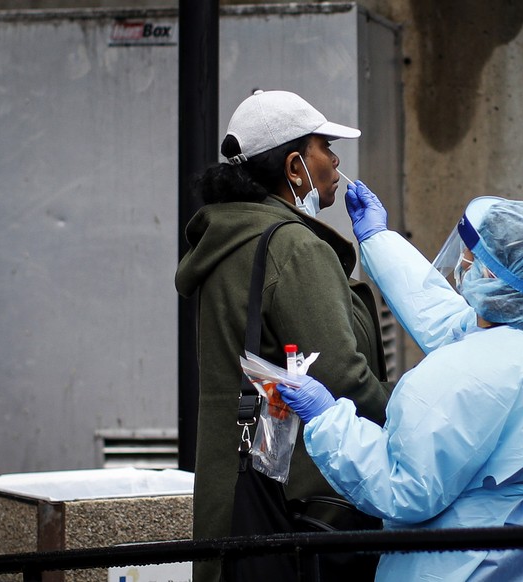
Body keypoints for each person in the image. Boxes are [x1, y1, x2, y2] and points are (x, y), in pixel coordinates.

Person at [277, 186, 523, 581]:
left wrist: (328, 419)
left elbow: (403, 488)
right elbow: (447, 320)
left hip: (468, 559)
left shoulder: (465, 375)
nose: (460, 263)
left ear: (488, 274)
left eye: (468, 254)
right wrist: (379, 241)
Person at [175, 90, 392, 582]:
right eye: (324, 147)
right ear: (296, 167)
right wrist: (419, 405)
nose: (336, 161)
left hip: (237, 503)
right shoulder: (294, 248)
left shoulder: (229, 241)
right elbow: (345, 379)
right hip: (303, 515)